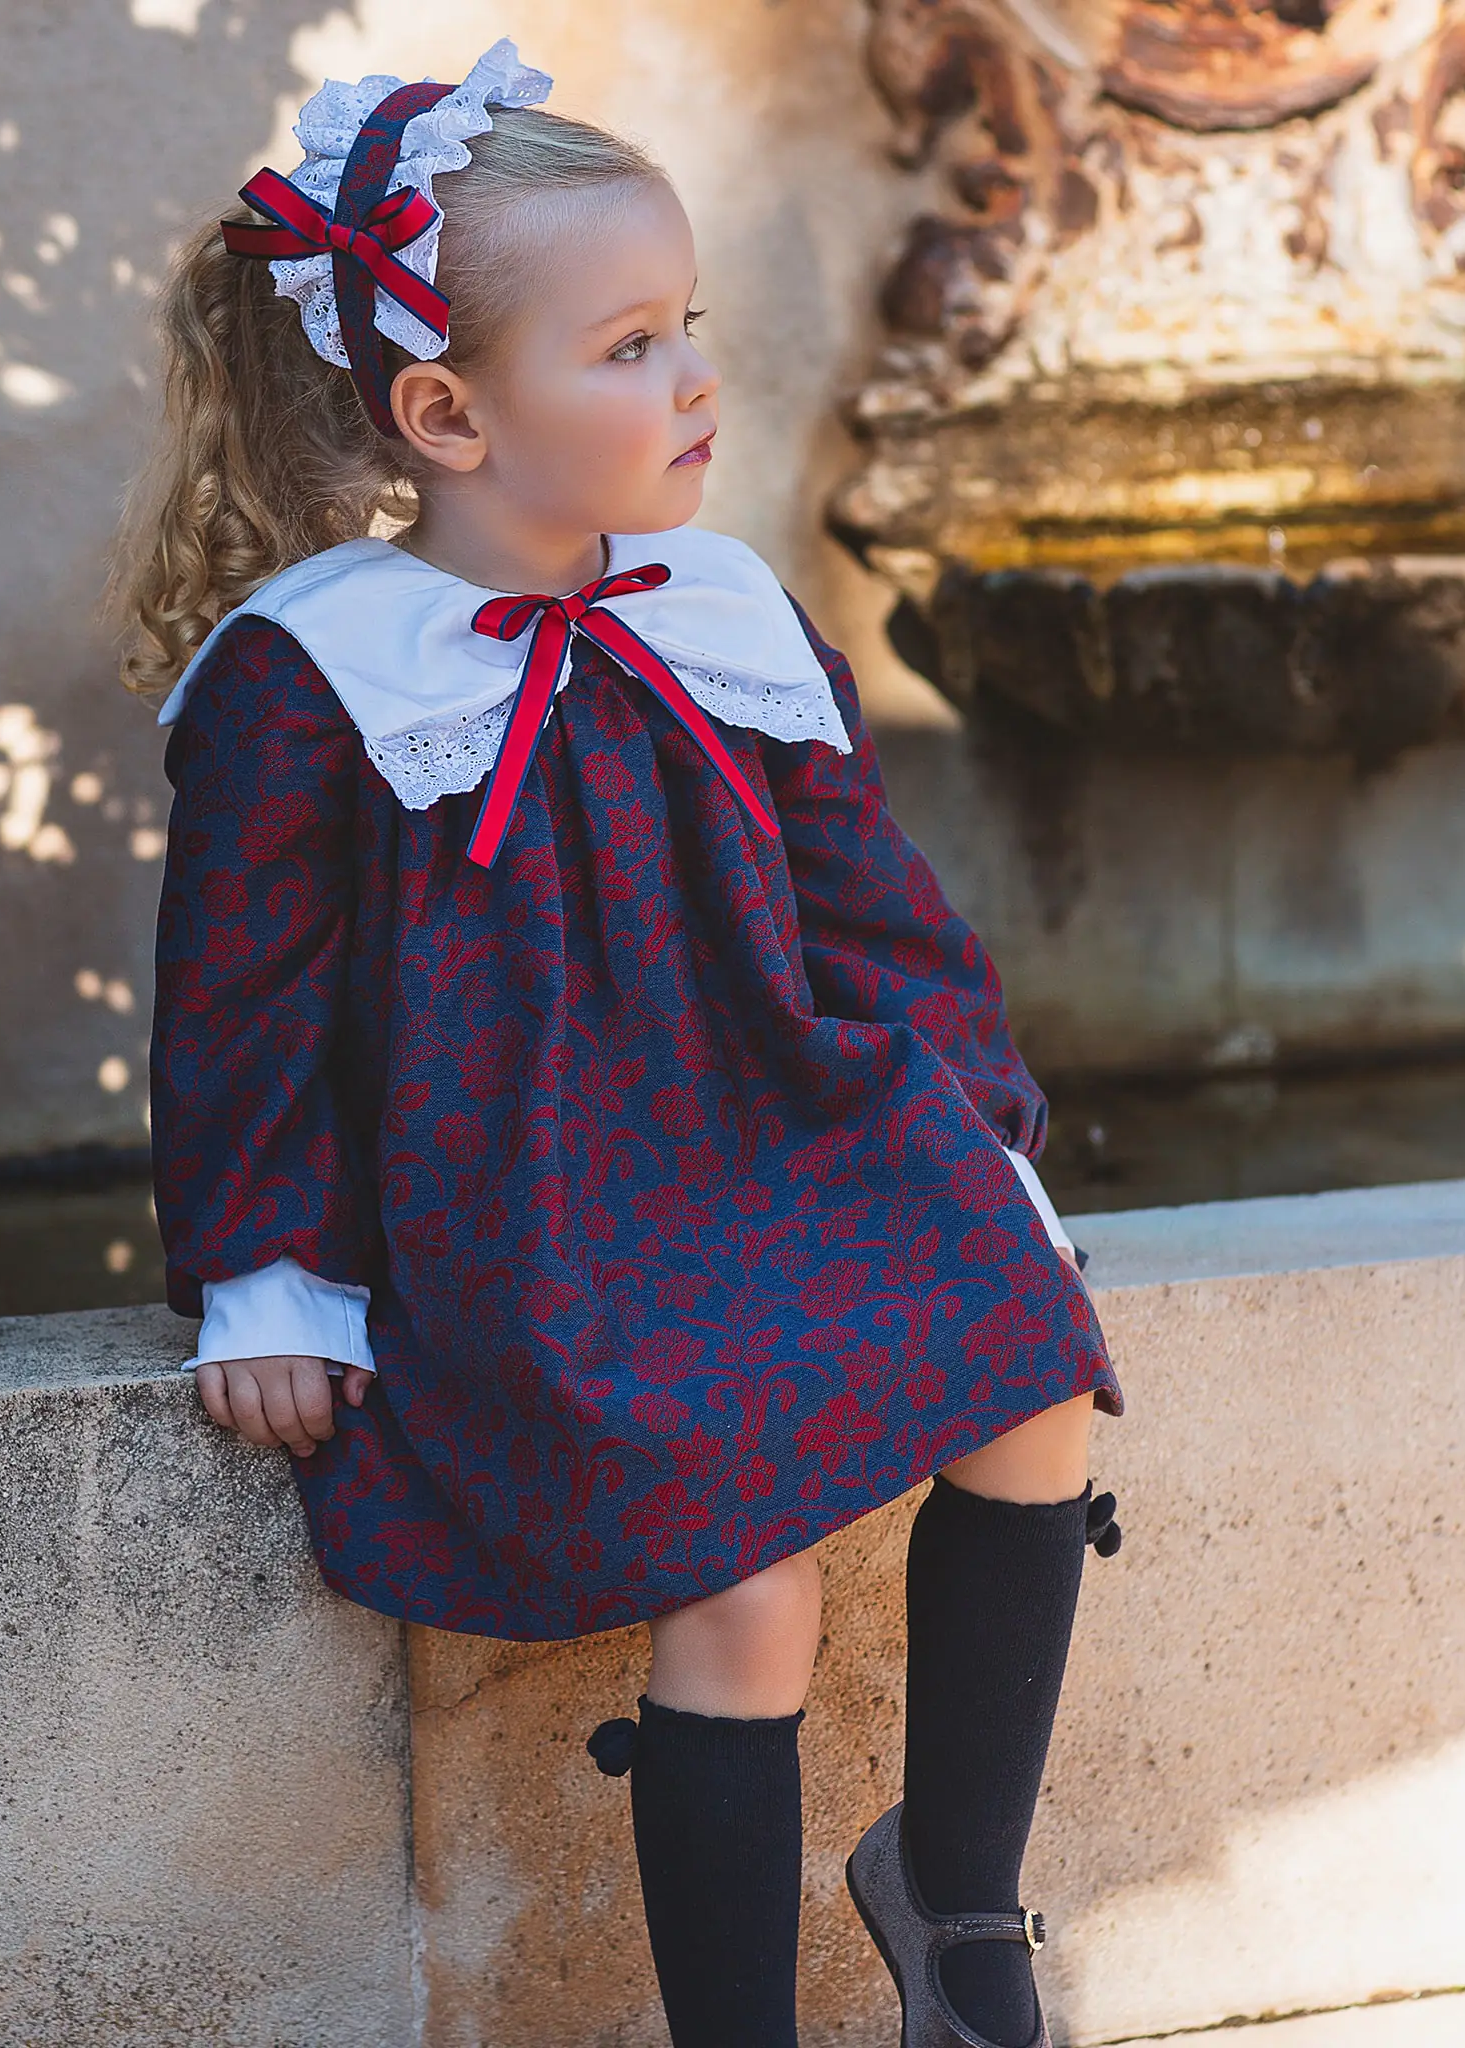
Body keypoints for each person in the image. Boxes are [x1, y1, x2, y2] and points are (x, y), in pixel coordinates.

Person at [107, 39, 1125, 2048]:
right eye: (631, 344)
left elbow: (870, 912)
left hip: (783, 1132)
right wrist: (271, 1272)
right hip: (536, 1209)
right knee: (744, 1582)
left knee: (1037, 1379)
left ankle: (956, 1890)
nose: (692, 380)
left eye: (689, 331)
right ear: (446, 411)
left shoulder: (723, 605)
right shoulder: (312, 677)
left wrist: (982, 1133)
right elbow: (239, 1008)